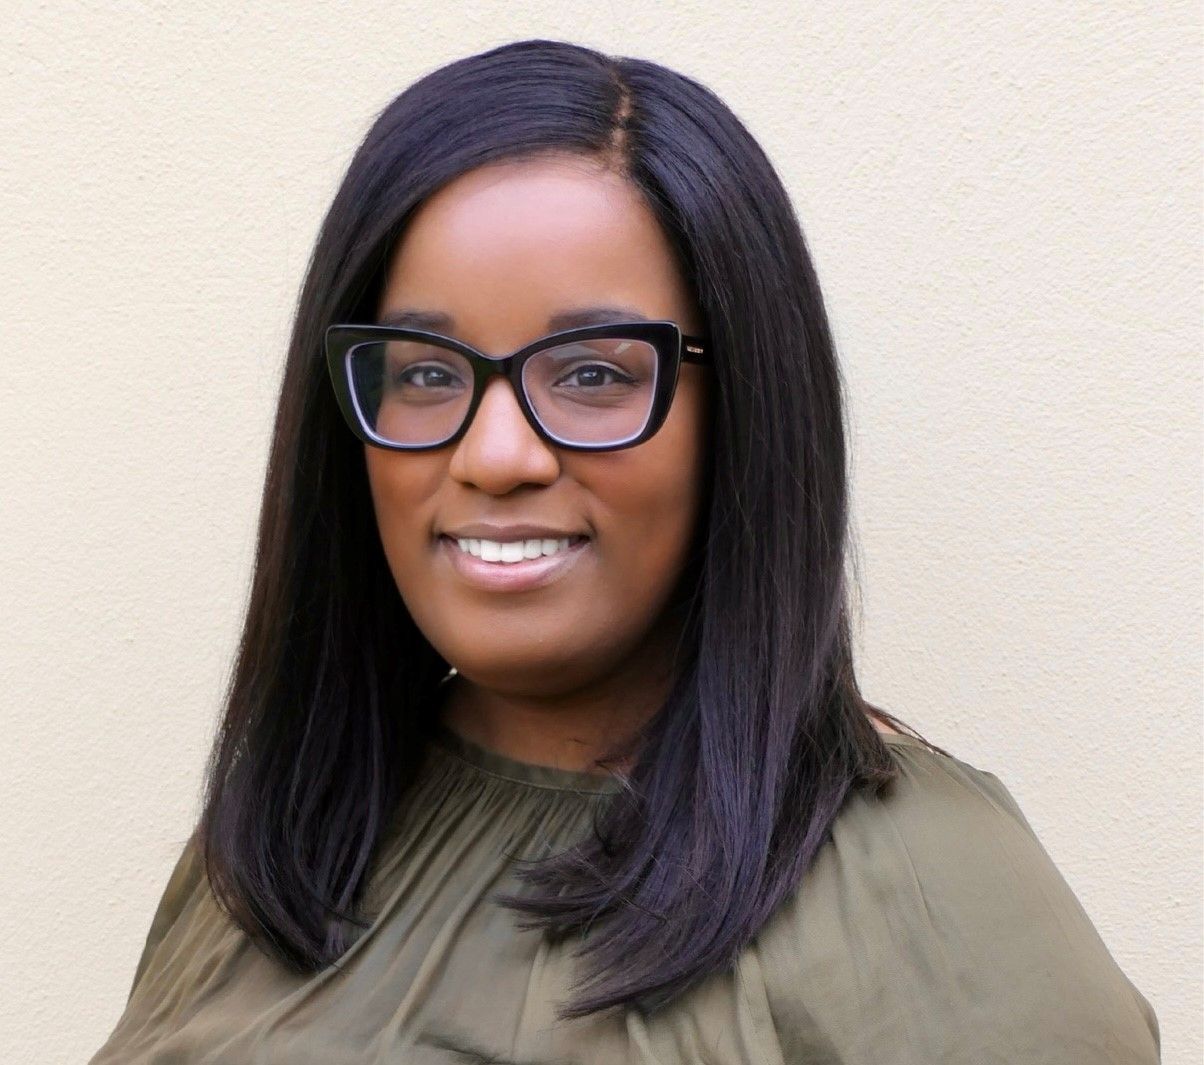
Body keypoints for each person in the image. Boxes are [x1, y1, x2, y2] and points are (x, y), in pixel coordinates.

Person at [89, 38, 1160, 1064]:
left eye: (594, 374)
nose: (494, 453)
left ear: (742, 411)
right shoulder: (282, 843)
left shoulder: (934, 899)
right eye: (423, 371)